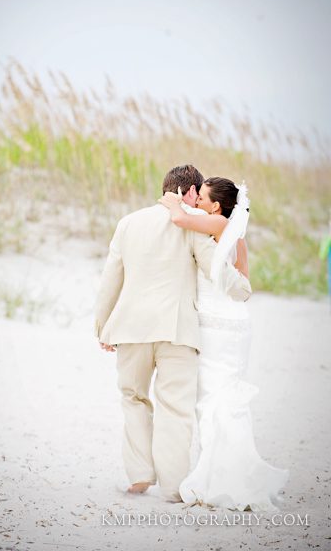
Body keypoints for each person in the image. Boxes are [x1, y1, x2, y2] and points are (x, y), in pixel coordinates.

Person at [94, 165, 252, 503]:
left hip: (132, 328)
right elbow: (216, 271)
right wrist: (243, 286)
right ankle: (173, 485)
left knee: (133, 397)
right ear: (192, 191)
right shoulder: (193, 227)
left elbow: (110, 279)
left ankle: (139, 474)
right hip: (178, 330)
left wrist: (102, 326)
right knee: (175, 408)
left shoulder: (128, 223)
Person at [159, 177, 289, 511]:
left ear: (217, 205)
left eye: (202, 197)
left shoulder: (217, 223)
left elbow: (180, 219)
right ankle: (227, 473)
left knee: (213, 401)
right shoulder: (237, 236)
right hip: (234, 324)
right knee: (224, 399)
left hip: (217, 328)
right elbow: (244, 283)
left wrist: (172, 200)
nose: (197, 201)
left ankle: (221, 478)